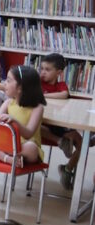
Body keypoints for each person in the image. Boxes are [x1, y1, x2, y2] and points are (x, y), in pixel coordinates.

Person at [0, 65, 45, 168]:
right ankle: (8, 159)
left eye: (8, 81)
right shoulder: (8, 102)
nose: (4, 84)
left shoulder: (37, 107)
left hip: (25, 147)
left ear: (20, 87)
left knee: (31, 147)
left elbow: (28, 134)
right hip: (8, 144)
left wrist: (14, 121)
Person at [38, 53, 83, 190]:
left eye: (47, 69)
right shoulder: (38, 83)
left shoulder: (61, 85)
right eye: (42, 69)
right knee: (37, 127)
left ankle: (67, 169)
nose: (43, 72)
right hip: (44, 123)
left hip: (59, 122)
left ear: (59, 73)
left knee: (80, 141)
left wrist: (45, 95)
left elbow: (64, 95)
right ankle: (60, 141)